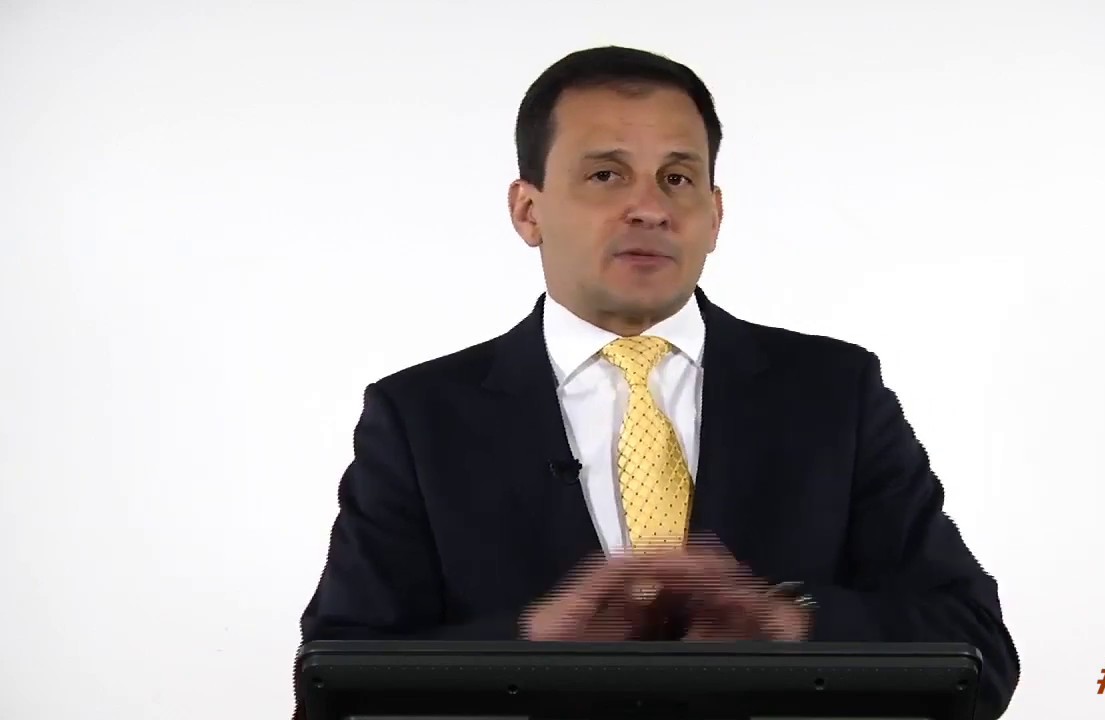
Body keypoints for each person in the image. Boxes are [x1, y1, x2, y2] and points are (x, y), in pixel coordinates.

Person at [294, 46, 1020, 718]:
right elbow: (337, 682)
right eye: (606, 175)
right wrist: (533, 642)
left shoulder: (835, 393)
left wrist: (789, 622)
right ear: (527, 210)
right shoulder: (420, 418)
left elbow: (977, 650)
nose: (650, 207)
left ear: (715, 214)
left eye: (678, 178)